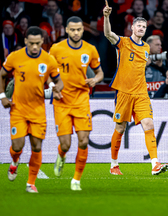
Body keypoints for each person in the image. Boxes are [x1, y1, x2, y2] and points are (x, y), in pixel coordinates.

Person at [103, 0, 168, 175]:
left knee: (149, 124)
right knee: (120, 128)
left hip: (141, 93)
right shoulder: (123, 42)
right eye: (138, 26)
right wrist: (106, 17)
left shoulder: (146, 47)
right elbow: (108, 33)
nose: (141, 28)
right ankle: (114, 164)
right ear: (132, 28)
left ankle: (155, 163)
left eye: (144, 27)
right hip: (124, 92)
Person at [0, 26, 63, 193]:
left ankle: (31, 183)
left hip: (38, 110)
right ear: (25, 41)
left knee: (36, 147)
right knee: (17, 146)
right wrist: (2, 96)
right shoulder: (15, 57)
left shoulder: (48, 59)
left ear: (42, 41)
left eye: (38, 43)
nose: (35, 47)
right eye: (31, 43)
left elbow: (58, 81)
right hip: (18, 109)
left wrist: (57, 89)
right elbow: (2, 74)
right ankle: (14, 162)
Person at [50, 16, 104, 191]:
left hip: (81, 101)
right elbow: (46, 74)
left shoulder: (90, 50)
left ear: (83, 30)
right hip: (62, 101)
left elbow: (100, 73)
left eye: (78, 29)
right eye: (72, 29)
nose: (75, 32)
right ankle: (61, 155)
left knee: (83, 141)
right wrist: (53, 88)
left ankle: (76, 180)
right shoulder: (56, 49)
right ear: (66, 30)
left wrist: (95, 80)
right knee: (66, 144)